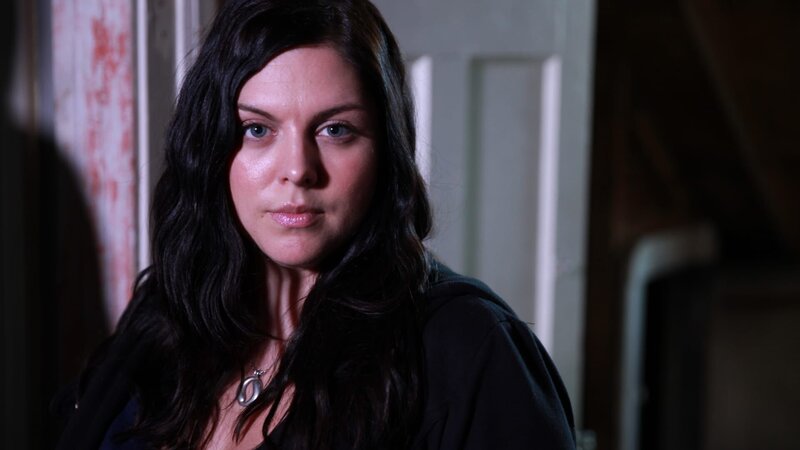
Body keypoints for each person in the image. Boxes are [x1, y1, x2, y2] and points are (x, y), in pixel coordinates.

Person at [54, 0, 575, 448]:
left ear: (386, 150)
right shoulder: (167, 315)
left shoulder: (468, 351)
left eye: (335, 129)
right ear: (212, 147)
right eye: (257, 129)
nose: (298, 169)